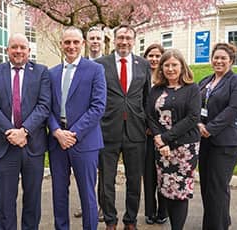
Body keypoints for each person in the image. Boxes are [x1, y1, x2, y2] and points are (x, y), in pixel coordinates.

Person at [0, 33, 51, 230]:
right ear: (7, 50)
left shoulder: (41, 72)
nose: (18, 51)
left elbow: (44, 105)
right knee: (5, 200)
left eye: (23, 47)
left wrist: (24, 131)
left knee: (32, 199)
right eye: (14, 47)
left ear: (29, 51)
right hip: (5, 146)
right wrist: (11, 132)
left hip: (33, 145)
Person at [48, 27, 106, 230]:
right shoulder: (51, 73)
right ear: (61, 44)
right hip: (57, 142)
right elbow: (46, 107)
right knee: (59, 193)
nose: (71, 46)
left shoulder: (95, 70)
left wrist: (73, 134)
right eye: (67, 42)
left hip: (84, 140)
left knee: (87, 193)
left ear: (82, 44)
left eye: (75, 42)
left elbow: (98, 106)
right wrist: (56, 131)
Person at [95, 24, 151, 230]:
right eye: (120, 38)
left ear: (134, 41)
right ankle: (110, 220)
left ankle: (131, 220)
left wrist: (148, 124)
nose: (124, 41)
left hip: (136, 131)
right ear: (114, 39)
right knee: (106, 180)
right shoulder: (101, 64)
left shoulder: (143, 65)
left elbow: (147, 97)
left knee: (134, 180)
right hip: (107, 130)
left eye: (128, 38)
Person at [146, 49, 201, 230]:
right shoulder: (156, 89)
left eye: (174, 65)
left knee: (180, 192)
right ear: (161, 68)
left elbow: (192, 118)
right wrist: (159, 140)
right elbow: (150, 116)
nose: (170, 69)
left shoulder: (192, 88)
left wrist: (165, 138)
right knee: (166, 188)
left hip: (184, 148)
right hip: (162, 148)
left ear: (182, 66)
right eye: (166, 65)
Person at [198, 43, 237, 230]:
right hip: (205, 141)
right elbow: (194, 104)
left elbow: (234, 109)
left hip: (226, 142)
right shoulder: (205, 81)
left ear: (231, 61)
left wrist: (210, 128)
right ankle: (221, 221)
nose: (218, 61)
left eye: (223, 58)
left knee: (217, 187)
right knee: (206, 186)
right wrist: (198, 124)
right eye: (216, 58)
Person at [73, 26, 106, 222]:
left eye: (98, 38)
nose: (95, 41)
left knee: (103, 172)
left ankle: (101, 207)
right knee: (87, 176)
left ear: (103, 42)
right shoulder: (79, 64)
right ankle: (89, 206)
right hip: (84, 129)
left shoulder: (106, 65)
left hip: (104, 127)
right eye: (92, 38)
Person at [142, 44, 168, 225]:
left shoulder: (168, 78)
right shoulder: (141, 76)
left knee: (164, 174)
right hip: (145, 133)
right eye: (150, 55)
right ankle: (150, 212)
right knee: (149, 174)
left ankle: (163, 211)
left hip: (165, 135)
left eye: (158, 55)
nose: (154, 59)